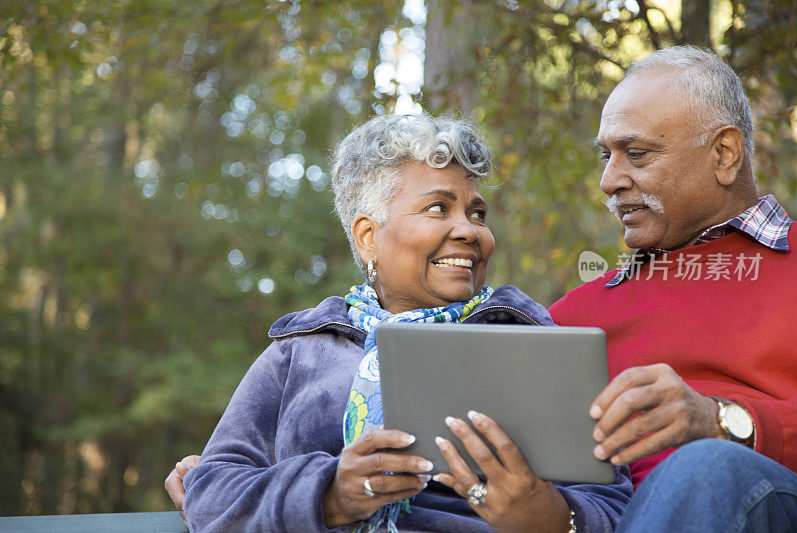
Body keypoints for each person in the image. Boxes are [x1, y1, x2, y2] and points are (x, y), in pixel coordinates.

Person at [177, 113, 632, 532]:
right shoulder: (303, 346)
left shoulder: (529, 337)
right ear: (368, 236)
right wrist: (331, 493)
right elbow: (211, 492)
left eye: (477, 213)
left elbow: (615, 508)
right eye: (438, 208)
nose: (470, 230)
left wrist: (547, 514)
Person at [549, 45, 797, 530]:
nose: (608, 181)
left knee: (707, 466)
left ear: (724, 154)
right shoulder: (571, 315)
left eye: (636, 154)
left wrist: (722, 423)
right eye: (606, 156)